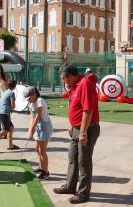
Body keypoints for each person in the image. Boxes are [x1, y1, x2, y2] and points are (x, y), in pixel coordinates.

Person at [53, 64, 100, 204]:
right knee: (73, 157)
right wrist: (72, 125)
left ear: (71, 76)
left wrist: (83, 133)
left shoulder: (84, 84)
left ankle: (83, 193)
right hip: (76, 128)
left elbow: (88, 110)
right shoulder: (75, 85)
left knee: (84, 161)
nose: (63, 82)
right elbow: (75, 107)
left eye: (64, 78)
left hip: (87, 129)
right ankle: (70, 186)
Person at [24, 86, 53, 180]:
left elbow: (38, 115)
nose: (28, 100)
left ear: (34, 94)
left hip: (45, 127)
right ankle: (41, 167)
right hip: (37, 127)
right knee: (37, 148)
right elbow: (32, 118)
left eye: (29, 97)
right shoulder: (30, 103)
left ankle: (46, 172)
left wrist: (32, 130)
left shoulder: (40, 100)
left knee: (42, 150)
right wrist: (29, 130)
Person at [0, 80, 20, 150]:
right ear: (14, 86)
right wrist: (13, 109)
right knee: (6, 130)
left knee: (11, 127)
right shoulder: (12, 93)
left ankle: (10, 145)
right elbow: (13, 105)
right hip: (4, 113)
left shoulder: (4, 92)